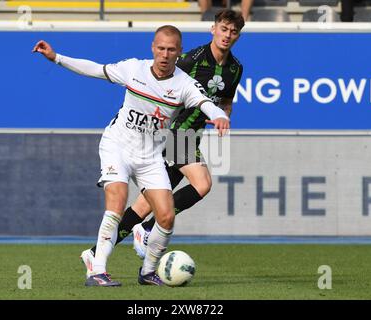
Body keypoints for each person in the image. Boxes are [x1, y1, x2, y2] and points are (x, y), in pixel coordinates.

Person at [33, 25, 230, 287]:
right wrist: (57, 58)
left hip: (150, 156)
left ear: (178, 52)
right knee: (117, 198)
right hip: (118, 146)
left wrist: (219, 116)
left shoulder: (184, 83)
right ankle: (96, 268)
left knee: (166, 216)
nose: (165, 54)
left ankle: (148, 272)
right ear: (153, 48)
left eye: (171, 50)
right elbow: (95, 69)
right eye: (160, 48)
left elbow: (205, 102)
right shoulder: (134, 69)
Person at [81, 9, 244, 274]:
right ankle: (145, 231)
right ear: (213, 29)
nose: (227, 36)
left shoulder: (235, 69)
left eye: (233, 32)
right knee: (202, 184)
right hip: (175, 134)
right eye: (223, 29)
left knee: (145, 205)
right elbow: (163, 89)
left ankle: (95, 252)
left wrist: (222, 116)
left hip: (192, 135)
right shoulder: (191, 59)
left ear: (238, 36)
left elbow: (226, 101)